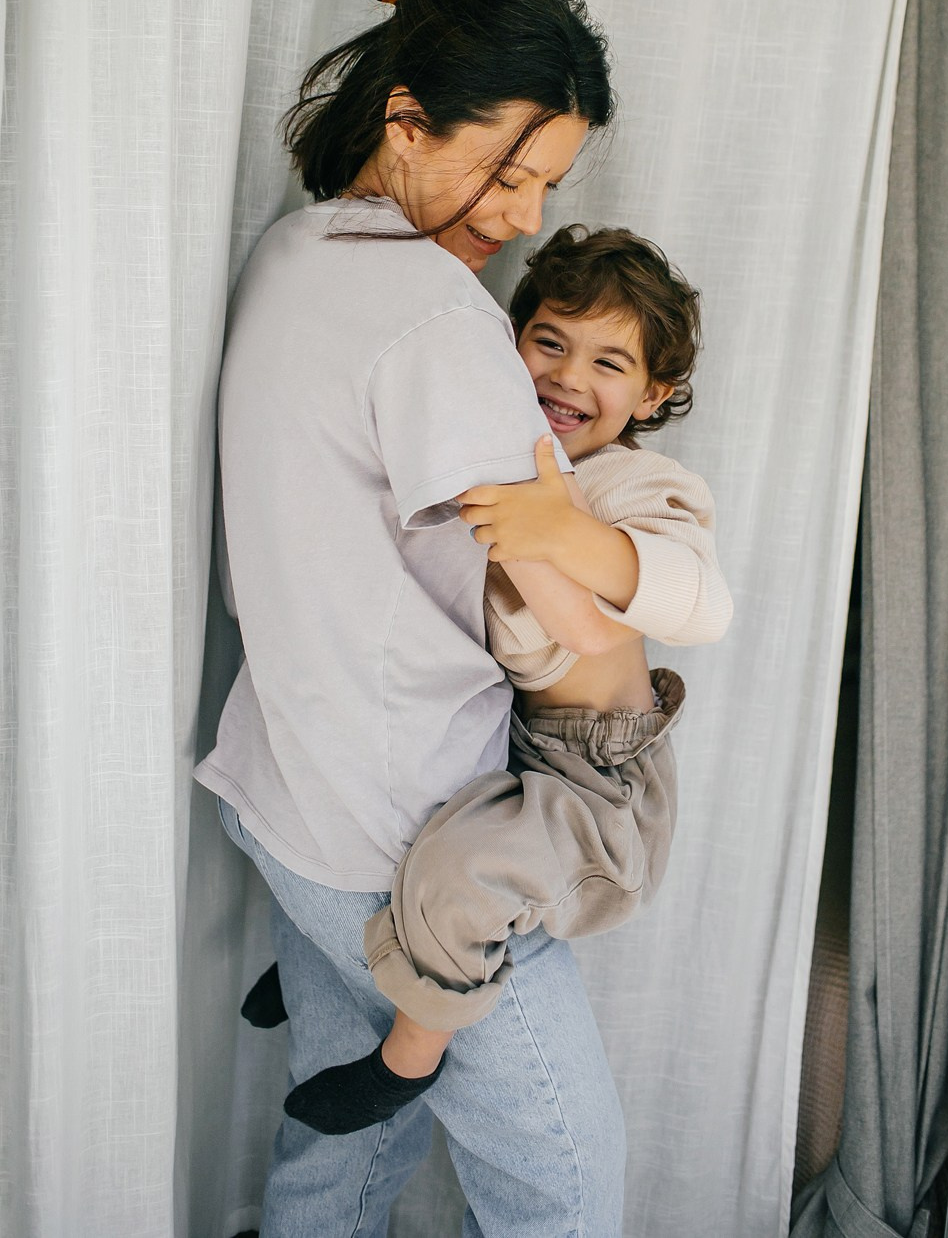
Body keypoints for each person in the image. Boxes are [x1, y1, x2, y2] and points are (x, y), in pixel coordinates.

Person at [195, 0, 643, 1237]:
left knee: (344, 1150)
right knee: (566, 1184)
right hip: (413, 844)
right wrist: (627, 694)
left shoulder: (293, 253)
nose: (522, 216)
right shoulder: (439, 322)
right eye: (505, 172)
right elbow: (561, 598)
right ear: (407, 121)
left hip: (294, 796)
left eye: (547, 183)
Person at [254, 224, 734, 1139]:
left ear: (653, 394)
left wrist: (561, 530)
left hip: (601, 787)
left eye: (608, 363)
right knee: (394, 819)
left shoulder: (635, 483)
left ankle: (406, 1056)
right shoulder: (496, 453)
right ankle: (354, 951)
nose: (568, 377)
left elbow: (691, 601)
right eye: (549, 342)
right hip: (518, 744)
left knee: (462, 873)